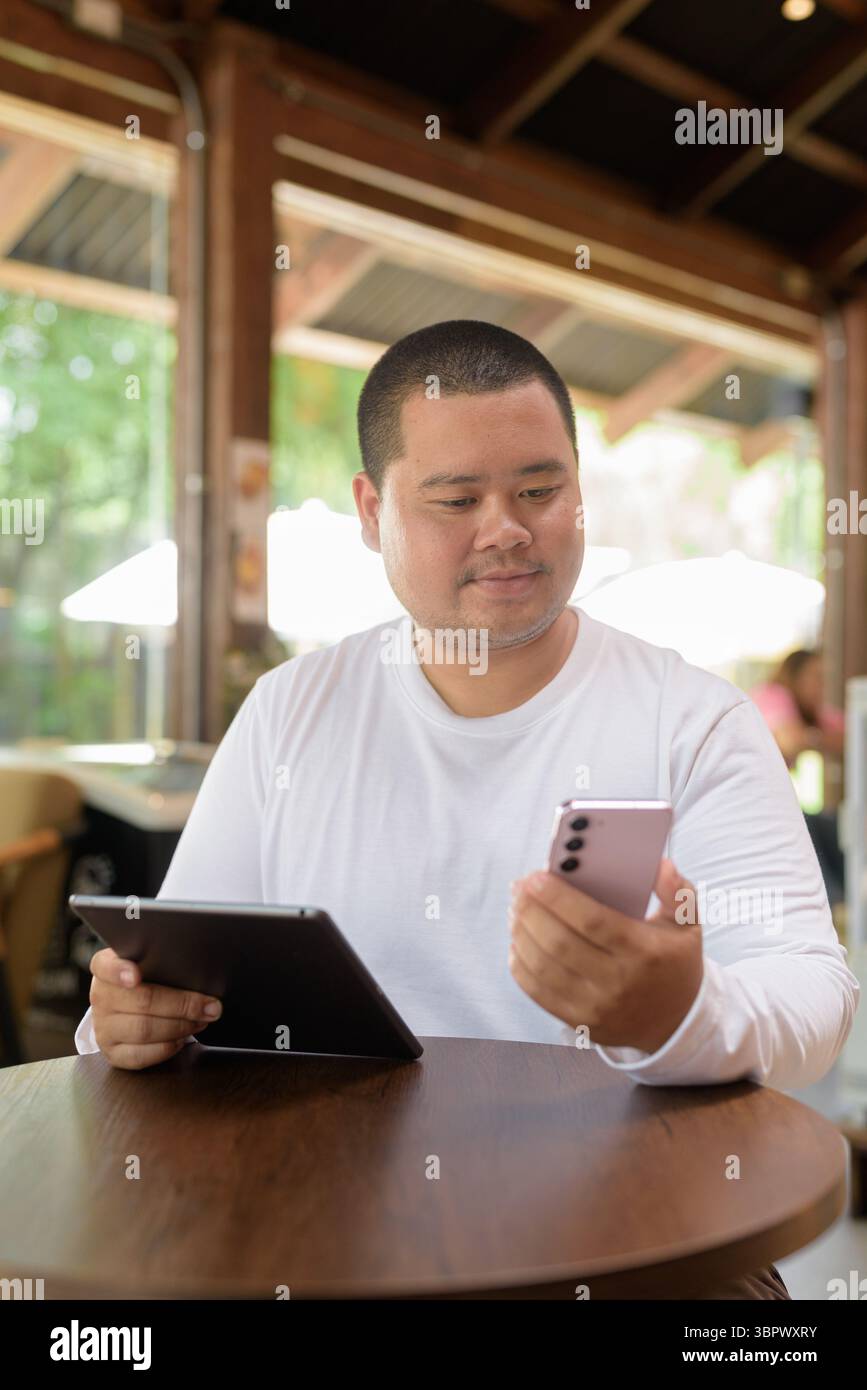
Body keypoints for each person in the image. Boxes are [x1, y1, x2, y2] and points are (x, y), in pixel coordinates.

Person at [75, 320, 859, 1300]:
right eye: (457, 498)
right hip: (332, 1223)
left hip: (635, 1230)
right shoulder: (292, 712)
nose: (508, 528)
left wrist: (680, 1014)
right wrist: (128, 1016)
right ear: (372, 509)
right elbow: (178, 966)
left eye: (541, 490)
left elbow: (813, 993)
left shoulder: (691, 720)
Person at [750, 650, 846, 905]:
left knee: (829, 826)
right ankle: (830, 905)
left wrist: (813, 735)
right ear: (796, 677)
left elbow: (848, 735)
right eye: (816, 677)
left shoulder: (808, 712)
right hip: (749, 809)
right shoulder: (773, 695)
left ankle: (838, 905)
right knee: (808, 830)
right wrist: (816, 737)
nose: (822, 686)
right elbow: (791, 740)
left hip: (771, 808)